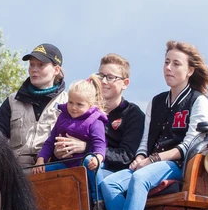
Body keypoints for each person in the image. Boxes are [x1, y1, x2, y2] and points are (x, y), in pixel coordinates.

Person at [98, 41, 208, 210]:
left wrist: (152, 159)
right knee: (108, 183)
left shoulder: (198, 101)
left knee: (140, 177)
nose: (168, 67)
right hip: (151, 163)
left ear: (190, 70)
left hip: (177, 165)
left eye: (176, 64)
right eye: (166, 62)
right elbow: (145, 141)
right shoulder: (157, 101)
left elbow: (189, 146)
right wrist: (140, 156)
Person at [51, 54, 146, 191]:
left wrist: (87, 148)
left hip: (112, 175)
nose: (104, 81)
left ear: (125, 83)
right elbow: (58, 138)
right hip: (74, 171)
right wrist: (59, 152)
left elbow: (126, 156)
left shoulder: (133, 114)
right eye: (101, 76)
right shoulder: (81, 110)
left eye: (111, 77)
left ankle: (99, 201)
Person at [0, 43, 67, 167]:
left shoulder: (68, 102)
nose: (34, 69)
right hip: (16, 171)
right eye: (32, 64)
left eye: (41, 65)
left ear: (56, 70)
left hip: (53, 170)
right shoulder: (12, 101)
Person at [36, 77, 108, 171]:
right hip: (63, 163)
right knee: (40, 172)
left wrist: (98, 158)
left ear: (90, 106)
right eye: (70, 102)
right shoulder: (62, 117)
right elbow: (51, 140)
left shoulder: (95, 121)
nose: (73, 107)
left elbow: (100, 143)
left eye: (79, 104)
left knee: (90, 164)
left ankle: (95, 181)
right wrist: (41, 159)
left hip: (85, 165)